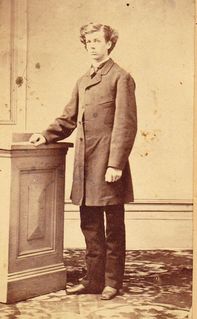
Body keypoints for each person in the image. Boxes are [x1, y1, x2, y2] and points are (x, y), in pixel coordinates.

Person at [29, 22, 137, 300]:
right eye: (88, 41)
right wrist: (45, 135)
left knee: (113, 227)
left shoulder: (120, 78)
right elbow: (68, 118)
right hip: (85, 166)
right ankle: (93, 280)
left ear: (109, 43)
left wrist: (116, 164)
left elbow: (126, 125)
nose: (92, 45)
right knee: (89, 225)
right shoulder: (82, 80)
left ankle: (112, 282)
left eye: (97, 41)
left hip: (109, 166)